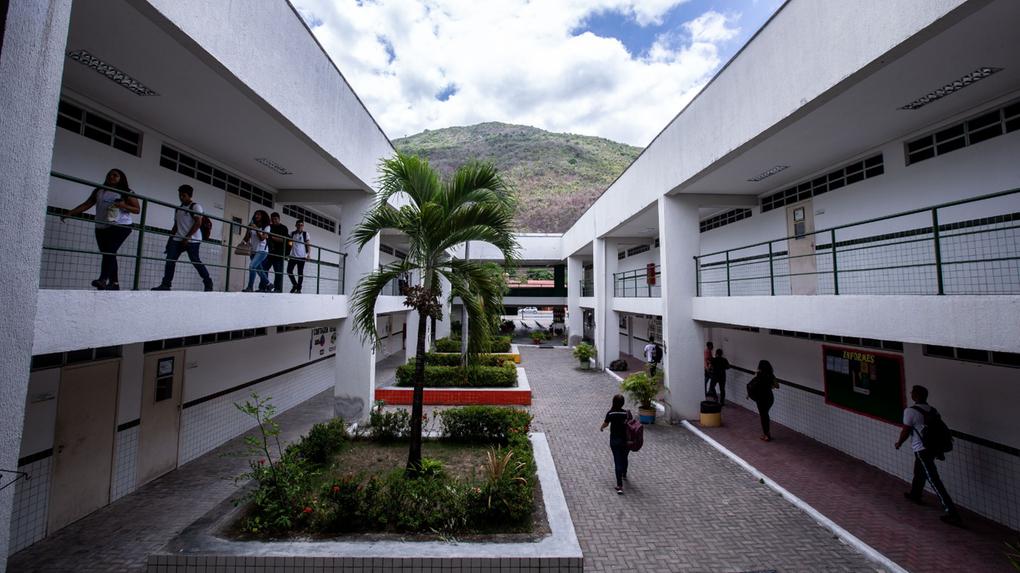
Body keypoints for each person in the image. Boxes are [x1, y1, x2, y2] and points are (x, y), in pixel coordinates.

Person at [61, 168, 141, 290]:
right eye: (110, 175)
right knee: (108, 253)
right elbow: (87, 204)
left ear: (121, 178)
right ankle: (114, 283)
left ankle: (103, 279)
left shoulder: (126, 192)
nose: (111, 177)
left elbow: (137, 209)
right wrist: (70, 213)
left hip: (121, 225)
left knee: (109, 251)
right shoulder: (99, 190)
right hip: (101, 226)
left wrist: (123, 205)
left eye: (115, 175)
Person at [896, 385, 962, 525]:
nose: (911, 394)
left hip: (921, 449)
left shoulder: (910, 411)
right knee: (919, 471)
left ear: (916, 396)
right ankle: (915, 494)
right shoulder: (933, 410)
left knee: (933, 479)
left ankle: (952, 512)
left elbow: (906, 430)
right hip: (932, 448)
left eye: (912, 393)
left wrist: (899, 443)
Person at [152, 185, 213, 291]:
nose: (181, 197)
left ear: (189, 196)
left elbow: (198, 222)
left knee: (195, 260)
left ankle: (208, 282)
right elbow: (176, 225)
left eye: (184, 195)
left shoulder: (195, 207)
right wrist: (170, 239)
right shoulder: (178, 209)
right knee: (170, 260)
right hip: (178, 238)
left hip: (193, 240)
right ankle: (166, 284)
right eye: (180, 195)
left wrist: (188, 237)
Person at [599, 394, 630, 495]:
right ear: (623, 403)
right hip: (626, 441)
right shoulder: (626, 413)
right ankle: (624, 473)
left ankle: (619, 485)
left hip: (615, 441)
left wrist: (601, 427)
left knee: (617, 461)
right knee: (624, 457)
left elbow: (606, 423)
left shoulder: (611, 413)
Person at [746, 359, 778, 441]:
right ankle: (767, 433)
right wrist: (769, 386)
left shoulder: (759, 375)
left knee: (763, 416)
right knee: (765, 415)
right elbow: (777, 386)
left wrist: (749, 394)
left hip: (761, 398)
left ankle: (766, 435)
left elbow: (750, 385)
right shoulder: (771, 375)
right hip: (770, 398)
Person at [241, 210, 271, 292]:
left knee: (252, 266)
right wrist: (244, 240)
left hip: (262, 250)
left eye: (259, 215)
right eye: (256, 214)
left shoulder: (267, 227)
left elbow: (262, 238)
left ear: (263, 216)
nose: (256, 216)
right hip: (253, 250)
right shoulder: (252, 225)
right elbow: (247, 237)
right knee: (259, 270)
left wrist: (256, 228)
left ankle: (250, 287)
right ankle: (269, 284)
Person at [262, 212, 289, 293]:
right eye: (272, 219)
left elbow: (283, 240)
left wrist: (271, 236)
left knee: (278, 272)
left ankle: (277, 289)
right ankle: (264, 287)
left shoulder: (283, 228)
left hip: (279, 253)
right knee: (264, 269)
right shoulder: (269, 227)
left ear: (279, 219)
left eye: (275, 219)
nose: (274, 220)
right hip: (268, 252)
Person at [287, 219, 311, 293]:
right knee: (289, 271)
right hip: (293, 256)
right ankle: (295, 285)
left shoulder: (305, 234)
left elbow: (308, 244)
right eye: (298, 225)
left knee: (300, 273)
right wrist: (288, 253)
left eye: (301, 225)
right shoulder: (292, 233)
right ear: (296, 225)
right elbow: (289, 244)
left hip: (302, 256)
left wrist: (309, 254)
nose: (300, 226)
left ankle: (299, 289)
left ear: (303, 226)